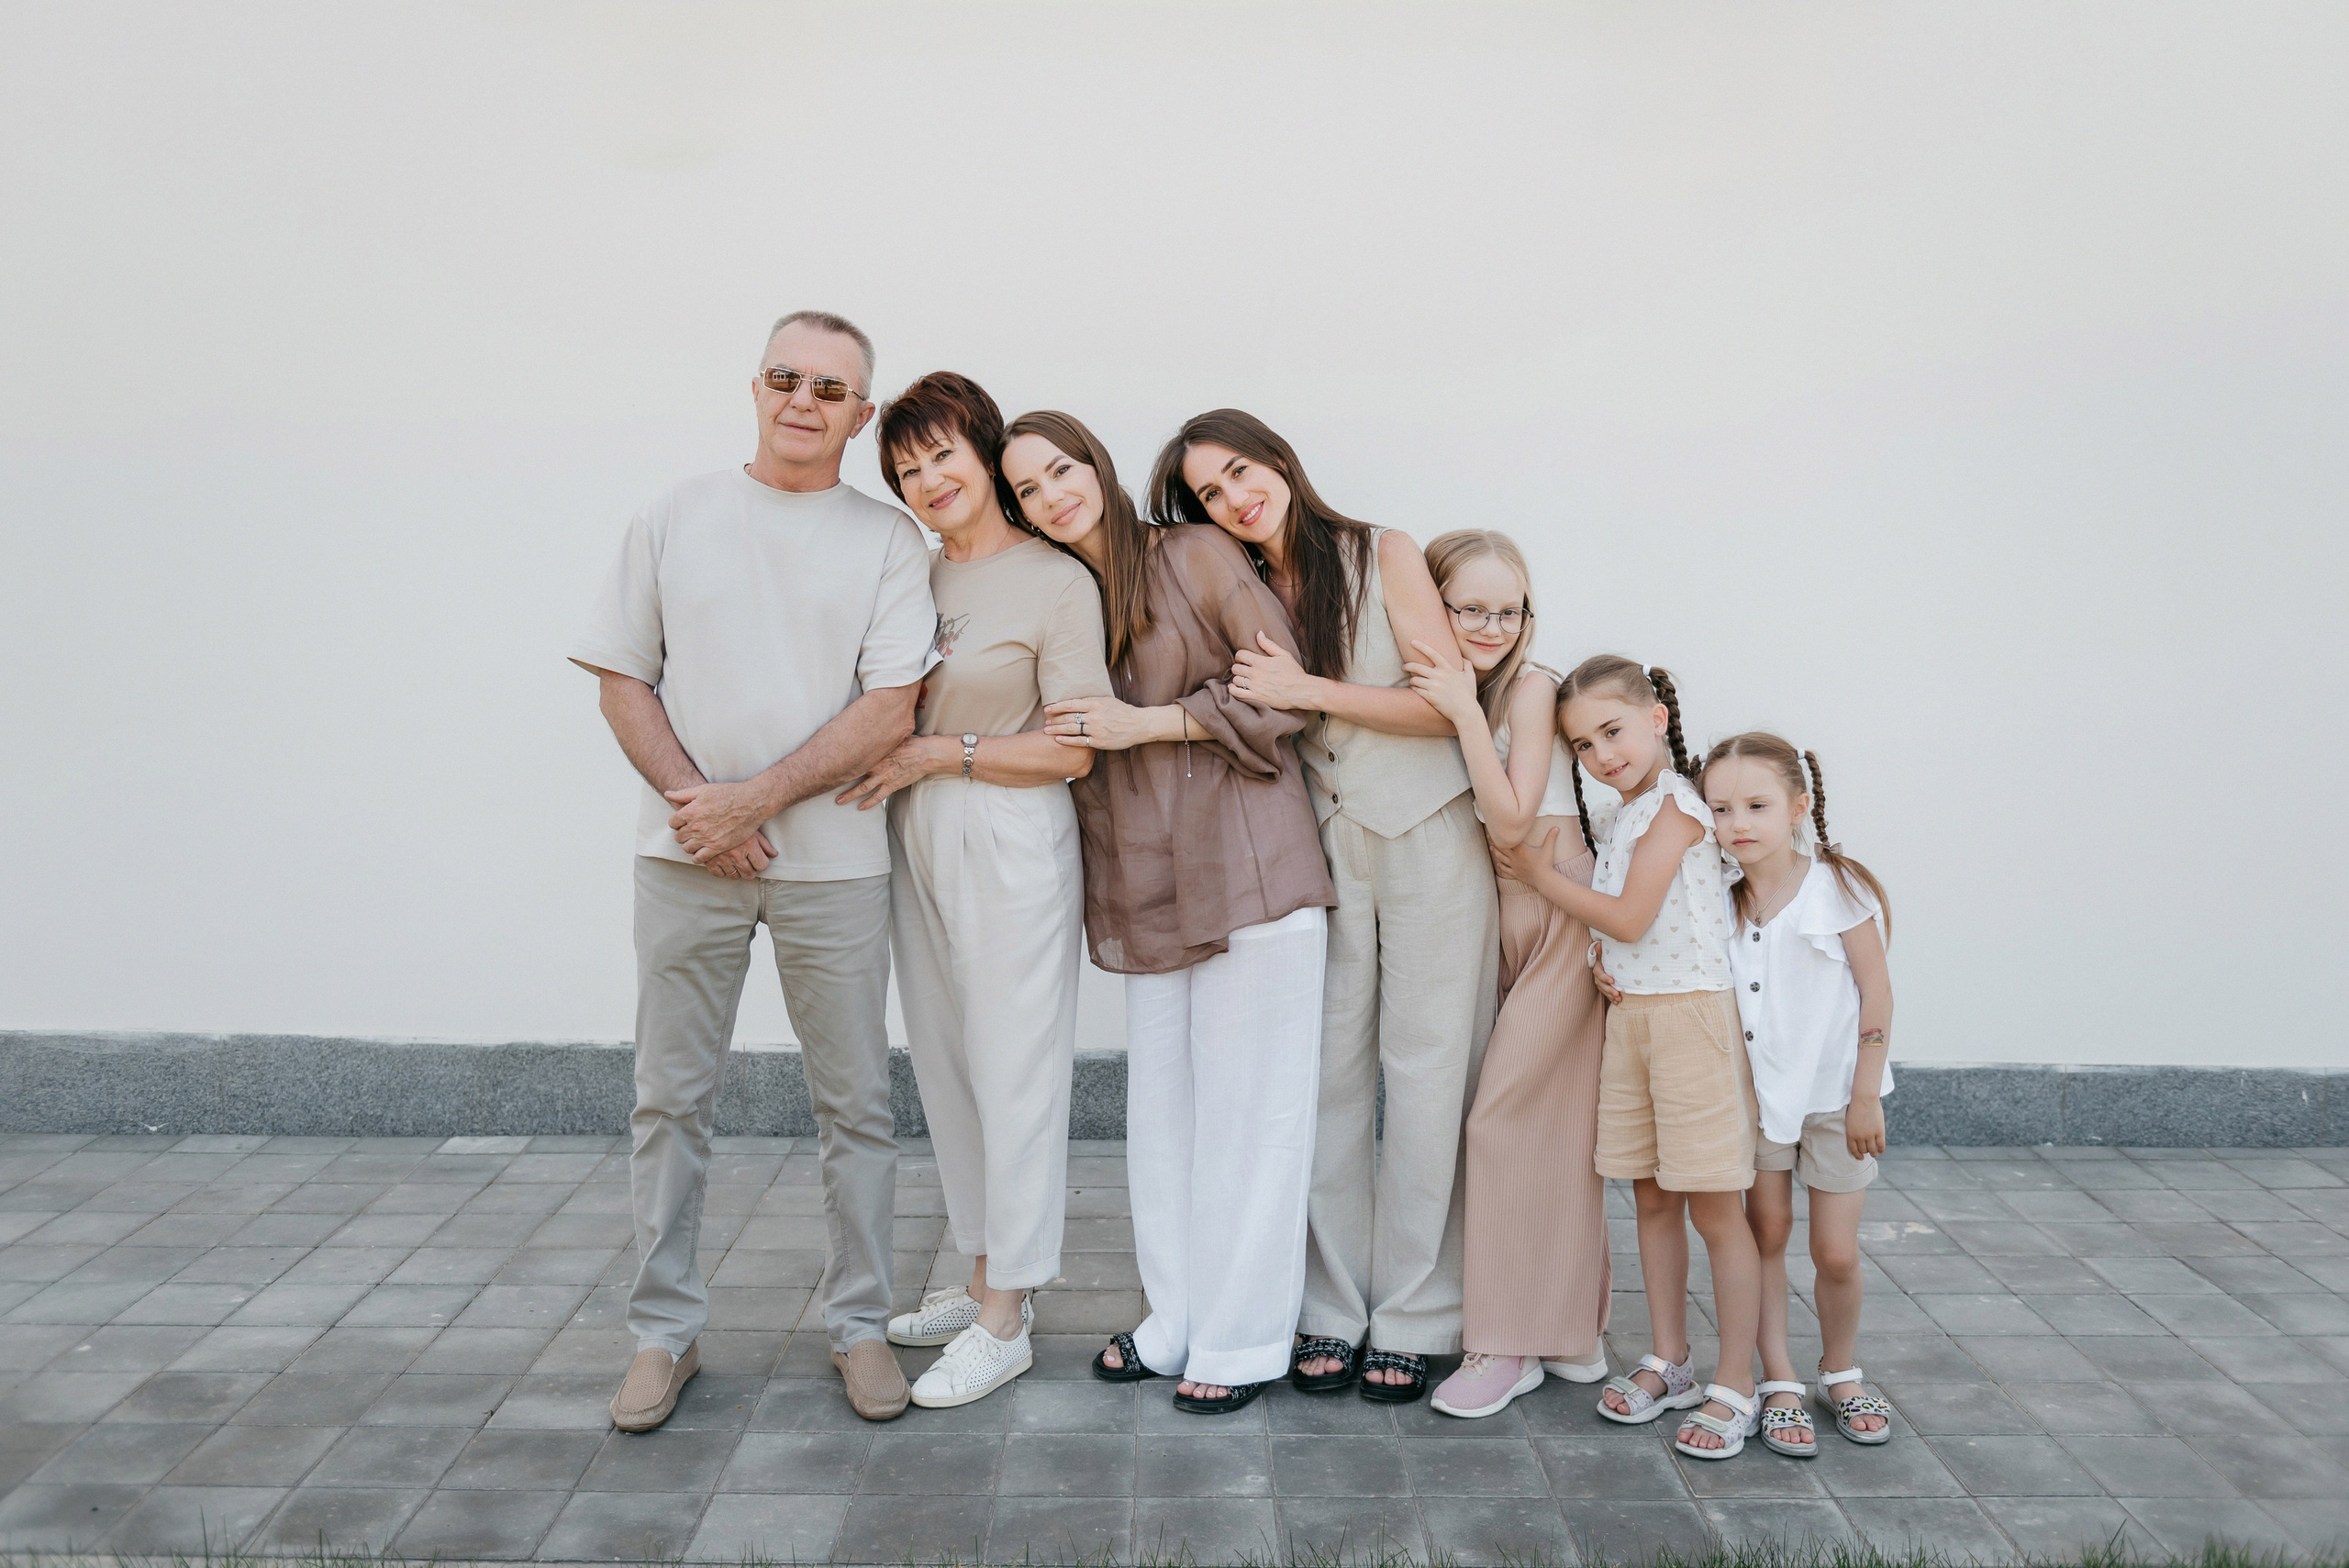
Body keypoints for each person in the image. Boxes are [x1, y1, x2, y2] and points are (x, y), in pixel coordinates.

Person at [569, 310, 937, 1429]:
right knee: (669, 1099)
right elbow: (621, 678)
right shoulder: (672, 515)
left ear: (860, 415)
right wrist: (706, 810)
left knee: (855, 1105)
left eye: (830, 389)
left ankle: (859, 1325)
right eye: (786, 377)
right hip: (684, 859)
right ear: (755, 385)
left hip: (834, 868)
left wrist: (754, 799)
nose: (802, 401)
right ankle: (663, 1334)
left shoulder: (888, 541)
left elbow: (891, 706)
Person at [1152, 410, 1499, 1406]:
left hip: (1428, 833)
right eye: (1210, 492)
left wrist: (1308, 687)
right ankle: (1331, 1305)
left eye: (1241, 470)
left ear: (1279, 460)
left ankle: (1418, 1313)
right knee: (1326, 1081)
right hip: (1321, 843)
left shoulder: (1381, 551)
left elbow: (1445, 702)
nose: (1234, 497)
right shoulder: (1236, 582)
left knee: (1429, 1076)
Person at [1000, 410, 1335, 1416]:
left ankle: (1243, 1336)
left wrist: (1145, 721)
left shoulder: (1192, 552)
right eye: (1027, 489)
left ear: (1096, 465)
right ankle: (1176, 1318)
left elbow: (1286, 694)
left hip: (1248, 868)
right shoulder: (1057, 590)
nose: (1052, 495)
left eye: (1062, 469)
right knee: (1162, 1118)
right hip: (1141, 880)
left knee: (1251, 1115)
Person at [841, 373, 1111, 1410]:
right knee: (948, 1059)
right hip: (914, 827)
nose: (928, 480)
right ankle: (983, 1270)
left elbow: (1074, 748)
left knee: (1014, 1064)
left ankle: (1008, 1317)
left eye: (943, 454)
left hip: (1008, 828)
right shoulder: (911, 572)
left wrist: (939, 753)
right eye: (907, 468)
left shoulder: (1054, 580)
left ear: (985, 452)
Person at [1493, 656, 1761, 1459]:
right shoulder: (1624, 815)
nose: (1601, 755)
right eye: (1582, 745)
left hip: (1690, 1025)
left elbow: (1633, 915)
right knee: (1650, 1198)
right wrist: (1602, 960)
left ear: (1656, 718)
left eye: (1612, 731)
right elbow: (1631, 927)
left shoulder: (1675, 807)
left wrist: (1539, 875)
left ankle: (1737, 1381)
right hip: (1635, 1021)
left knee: (1714, 1207)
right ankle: (1670, 1359)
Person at [1400, 532, 1611, 1420]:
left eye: (1508, 610)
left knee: (1503, 1123)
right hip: (1501, 913)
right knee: (1547, 1128)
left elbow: (1516, 818)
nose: (1492, 626)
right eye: (1471, 609)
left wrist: (1458, 709)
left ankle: (1507, 1342)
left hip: (1557, 910)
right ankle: (1570, 1329)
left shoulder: (1527, 686)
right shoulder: (1475, 685)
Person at [1696, 733, 1896, 1454]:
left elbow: (1876, 992)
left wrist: (1865, 1095)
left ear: (1798, 806)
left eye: (1757, 805)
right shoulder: (1717, 897)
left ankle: (1839, 1369)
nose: (1738, 823)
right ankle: (1777, 1376)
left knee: (1834, 1250)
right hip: (1757, 1103)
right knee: (1767, 1234)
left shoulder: (1837, 888)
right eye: (1721, 808)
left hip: (1836, 1100)